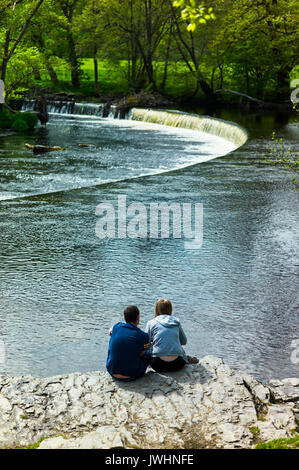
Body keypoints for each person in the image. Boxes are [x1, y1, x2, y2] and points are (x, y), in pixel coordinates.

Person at [146, 299, 198, 373]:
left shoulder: (151, 323)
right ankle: (186, 358)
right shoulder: (176, 322)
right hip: (178, 364)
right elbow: (184, 341)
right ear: (170, 309)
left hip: (157, 364)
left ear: (157, 309)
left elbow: (146, 344)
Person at [106, 305, 150, 381]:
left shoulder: (116, 327)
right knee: (148, 352)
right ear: (138, 317)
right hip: (131, 374)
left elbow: (110, 331)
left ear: (124, 317)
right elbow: (142, 353)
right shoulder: (143, 335)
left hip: (112, 371)